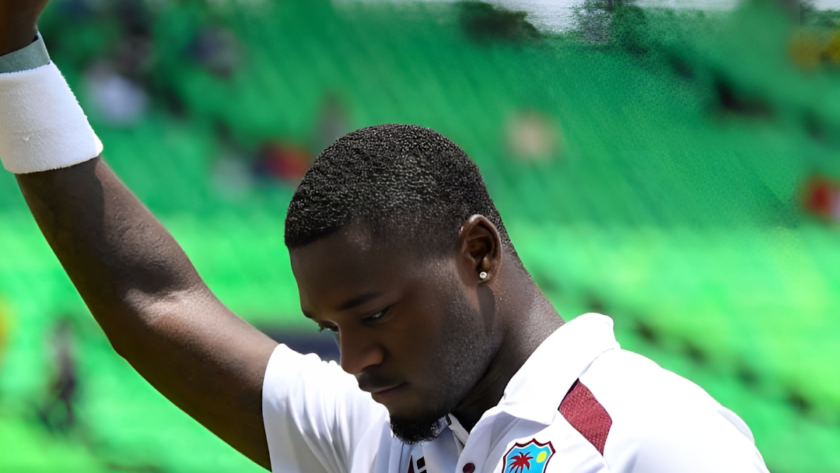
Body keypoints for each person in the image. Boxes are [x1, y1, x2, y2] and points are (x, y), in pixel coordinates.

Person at [0, 3, 770, 472]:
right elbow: (153, 300)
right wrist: (12, 55)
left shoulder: (655, 436)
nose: (355, 361)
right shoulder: (380, 435)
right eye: (332, 330)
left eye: (372, 315)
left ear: (477, 252)